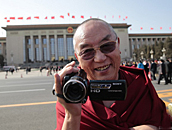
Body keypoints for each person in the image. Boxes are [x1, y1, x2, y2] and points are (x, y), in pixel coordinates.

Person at [54, 18, 171, 130]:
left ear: (118, 44)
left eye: (107, 46)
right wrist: (71, 116)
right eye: (87, 52)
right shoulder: (70, 95)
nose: (99, 58)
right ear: (77, 58)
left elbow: (163, 123)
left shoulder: (139, 83)